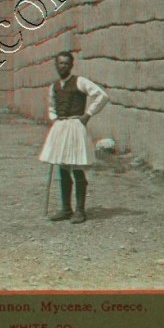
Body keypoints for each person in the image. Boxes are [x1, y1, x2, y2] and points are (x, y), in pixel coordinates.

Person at [39, 51, 109, 224]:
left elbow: (102, 96)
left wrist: (88, 115)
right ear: (56, 65)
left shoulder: (80, 81)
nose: (62, 66)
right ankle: (65, 208)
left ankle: (80, 210)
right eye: (60, 63)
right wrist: (54, 118)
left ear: (71, 65)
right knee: (63, 167)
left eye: (66, 63)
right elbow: (51, 106)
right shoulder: (53, 86)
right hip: (61, 127)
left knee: (77, 167)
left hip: (76, 126)